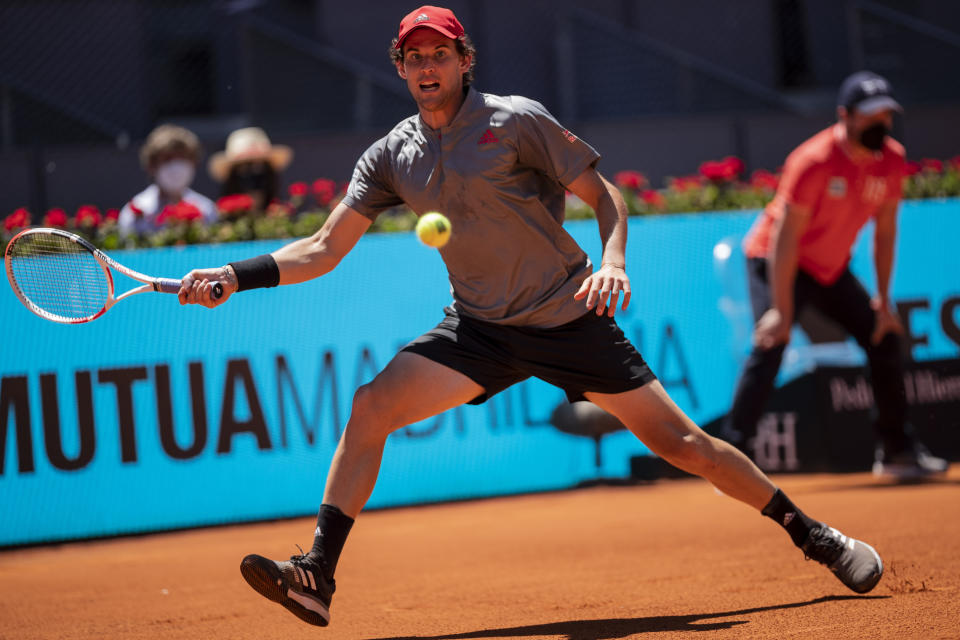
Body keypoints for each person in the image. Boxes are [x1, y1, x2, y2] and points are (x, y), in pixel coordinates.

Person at [178, 7, 886, 627]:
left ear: (464, 61)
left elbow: (604, 194)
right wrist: (233, 278)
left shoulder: (515, 120)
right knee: (371, 406)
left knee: (687, 447)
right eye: (414, 56)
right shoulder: (391, 154)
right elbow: (324, 248)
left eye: (440, 53)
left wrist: (613, 262)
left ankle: (814, 535)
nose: (427, 66)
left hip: (566, 315)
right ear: (400, 67)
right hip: (480, 330)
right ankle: (317, 575)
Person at [722, 71, 948, 480]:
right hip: (775, 258)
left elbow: (885, 233)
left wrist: (882, 300)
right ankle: (733, 459)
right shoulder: (813, 162)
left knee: (884, 336)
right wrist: (781, 310)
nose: (880, 123)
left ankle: (896, 451)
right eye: (870, 115)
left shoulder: (893, 160)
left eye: (886, 114)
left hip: (829, 268)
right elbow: (785, 239)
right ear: (845, 116)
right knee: (773, 337)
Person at [118, 124, 217, 236]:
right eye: (168, 159)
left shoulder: (206, 209)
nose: (176, 168)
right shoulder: (135, 212)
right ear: (152, 165)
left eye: (183, 158)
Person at [208, 126, 292, 212]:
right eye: (245, 168)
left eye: (260, 167)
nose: (254, 175)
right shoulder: (220, 220)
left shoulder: (281, 218)